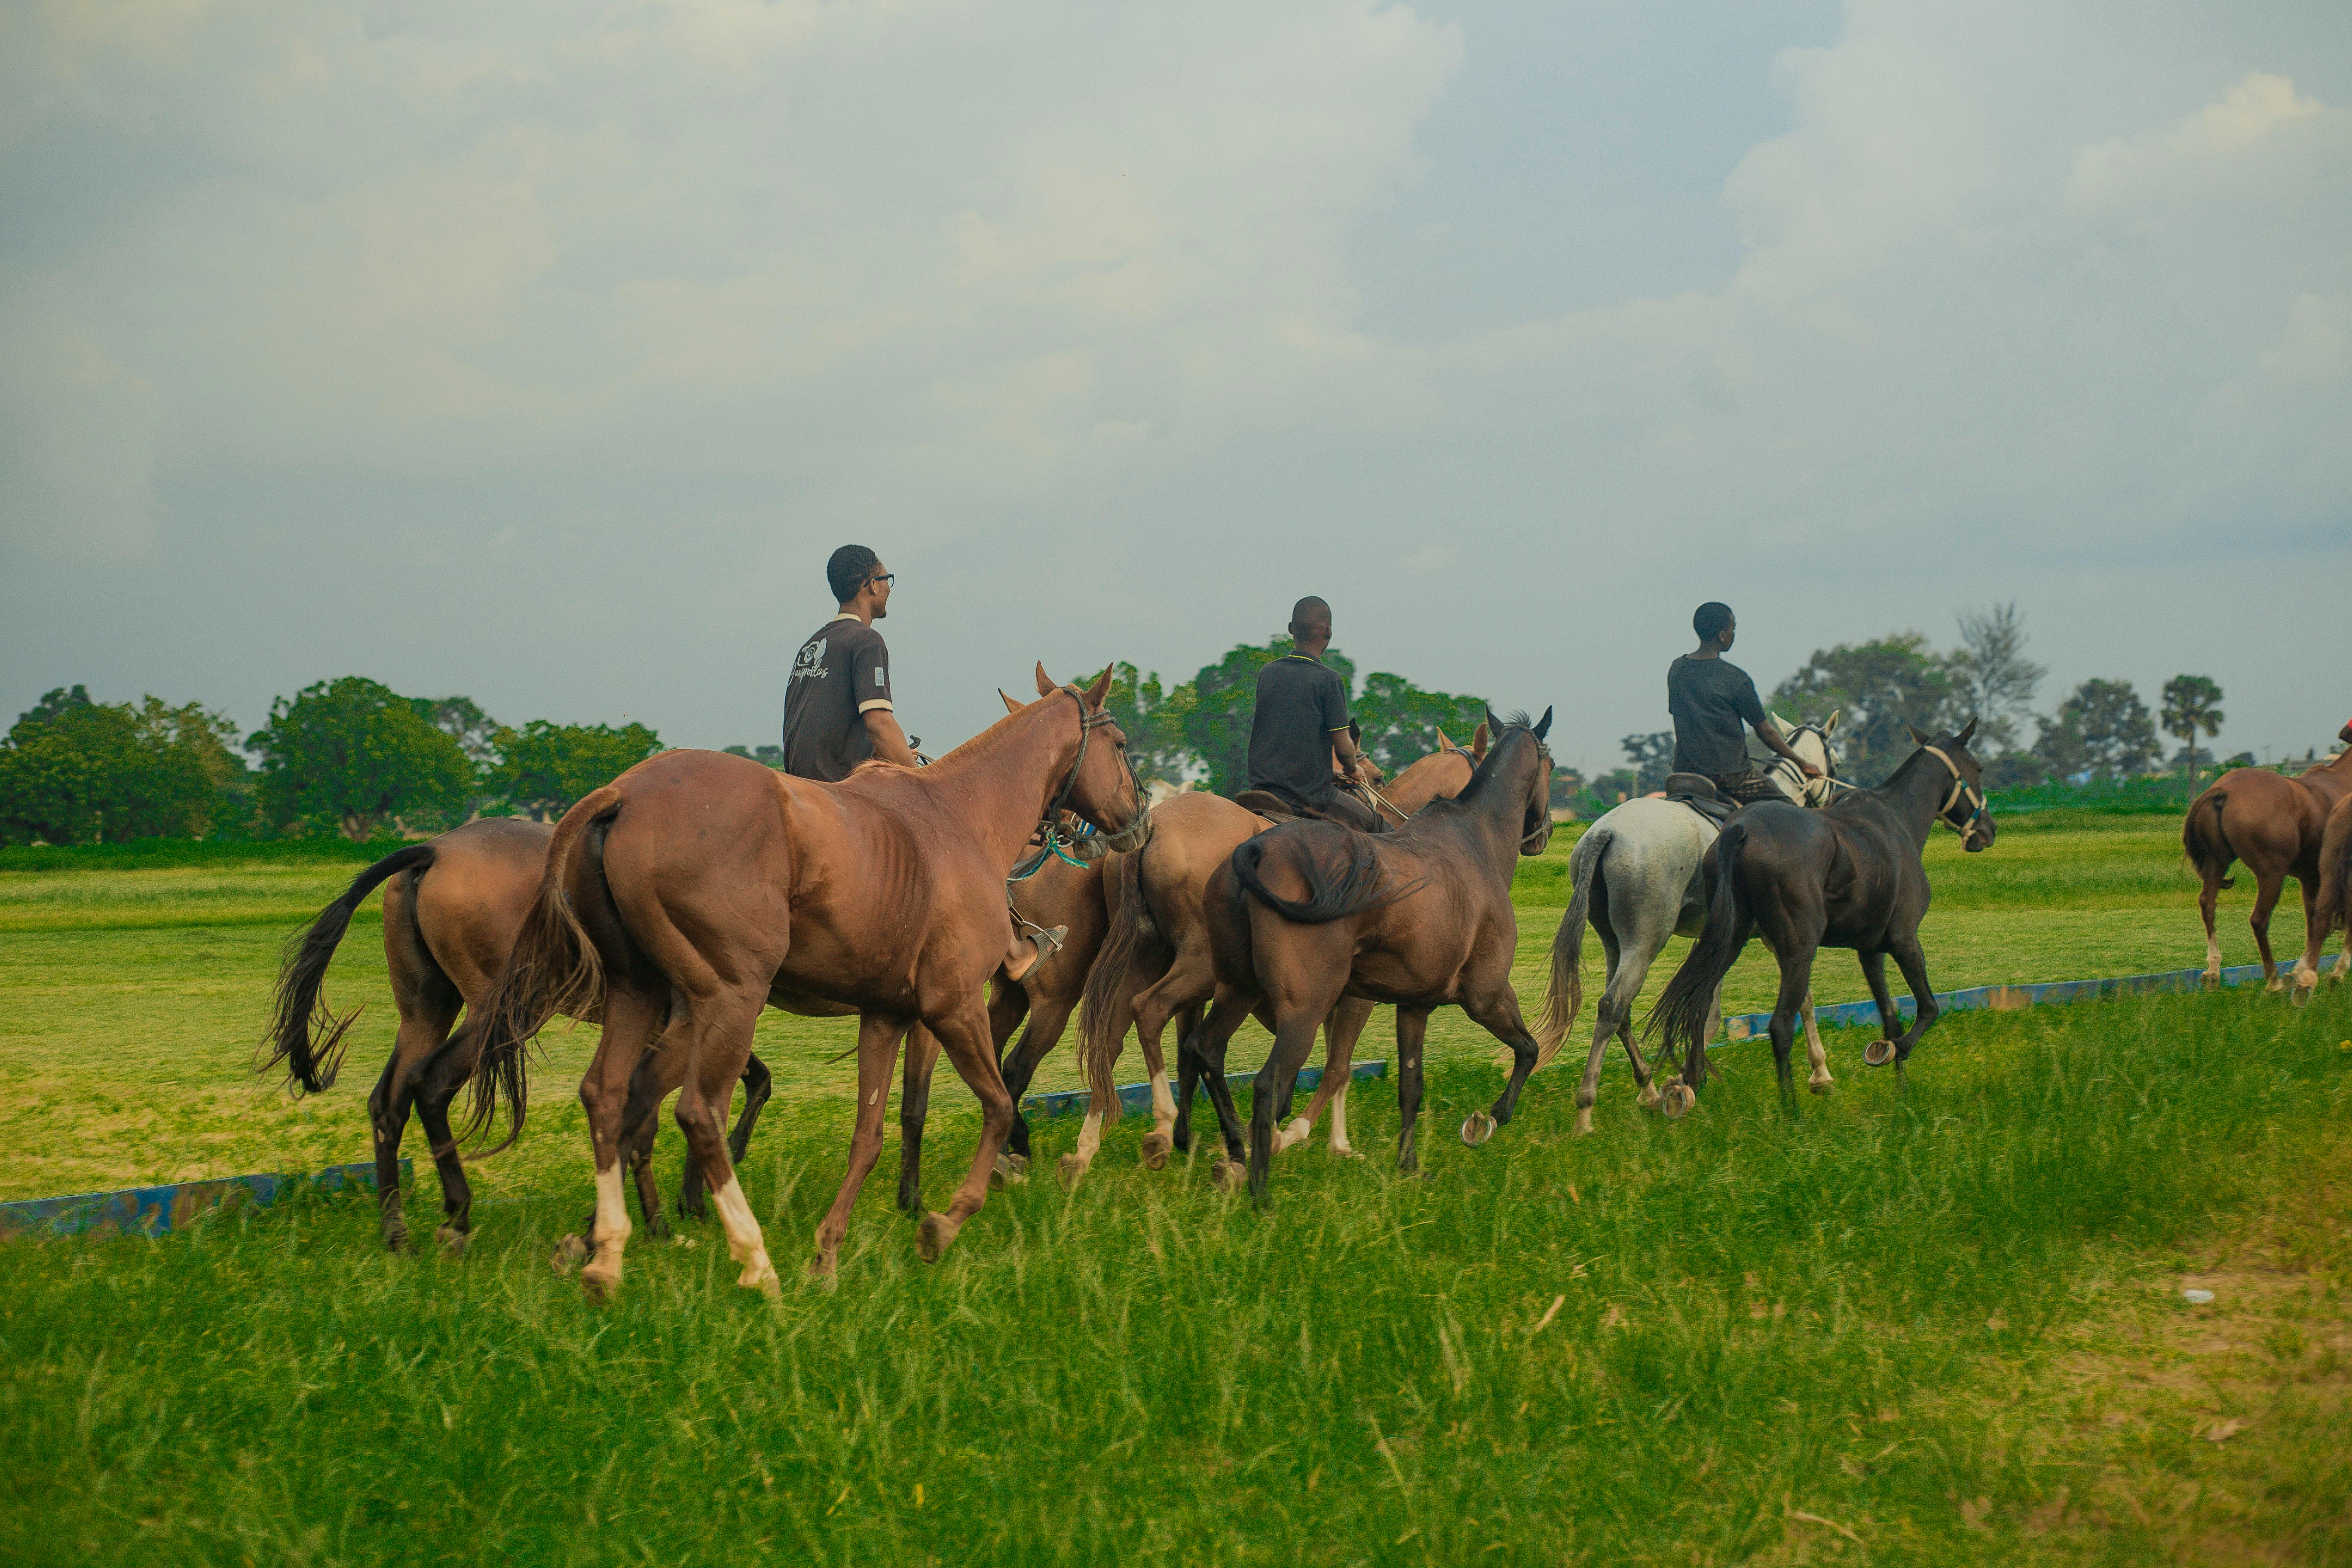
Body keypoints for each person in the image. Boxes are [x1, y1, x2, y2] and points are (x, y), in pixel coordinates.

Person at [782, 545, 1059, 977]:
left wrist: (893, 756)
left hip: (805, 786)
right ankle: (1012, 952)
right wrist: (921, 784)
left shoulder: (812, 645)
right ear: (869, 586)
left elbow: (828, 727)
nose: (888, 590)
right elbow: (877, 721)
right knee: (957, 841)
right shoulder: (866, 640)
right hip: (844, 791)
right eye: (886, 581)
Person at [1243, 596, 1387, 832]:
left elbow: (1285, 743)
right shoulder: (1329, 680)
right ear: (1328, 633)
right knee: (1381, 828)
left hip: (1262, 790)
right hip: (1308, 797)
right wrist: (1352, 769)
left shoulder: (1268, 673)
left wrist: (1331, 774)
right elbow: (1343, 748)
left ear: (1291, 630)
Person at [1666, 601, 1822, 806]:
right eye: (1733, 629)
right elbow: (1765, 732)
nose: (1734, 634)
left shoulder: (1678, 669)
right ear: (1722, 635)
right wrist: (1801, 763)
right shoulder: (1736, 679)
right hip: (1731, 776)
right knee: (1790, 812)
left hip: (1684, 772)